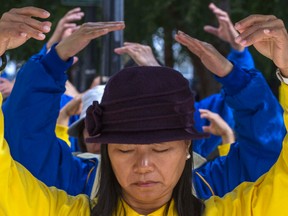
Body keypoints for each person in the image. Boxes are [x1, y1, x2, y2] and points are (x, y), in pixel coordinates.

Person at [1, 12, 288, 215]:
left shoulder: (222, 191)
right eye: (125, 149)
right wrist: (51, 62)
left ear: (187, 146)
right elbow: (23, 148)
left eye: (161, 147)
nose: (144, 165)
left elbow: (269, 150)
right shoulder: (69, 192)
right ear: (106, 148)